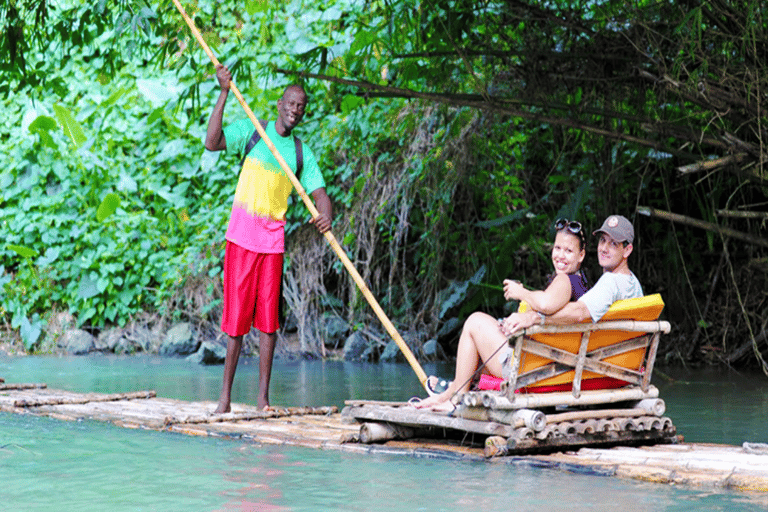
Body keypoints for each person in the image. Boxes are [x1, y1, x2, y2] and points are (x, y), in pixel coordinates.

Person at [205, 64, 333, 413]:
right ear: (280, 104)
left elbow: (319, 193)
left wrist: (326, 212)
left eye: (301, 107)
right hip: (241, 239)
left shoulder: (300, 153)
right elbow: (211, 141)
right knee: (235, 321)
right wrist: (224, 92)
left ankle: (263, 400)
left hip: (272, 243)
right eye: (291, 104)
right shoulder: (252, 131)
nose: (295, 110)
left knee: (268, 323)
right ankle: (225, 400)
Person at [413, 218, 589, 411]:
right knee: (486, 332)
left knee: (475, 322)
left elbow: (546, 304)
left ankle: (455, 401)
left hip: (530, 370)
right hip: (543, 363)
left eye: (568, 251)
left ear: (581, 255)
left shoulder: (565, 280)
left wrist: (520, 292)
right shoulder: (579, 284)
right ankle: (448, 395)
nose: (561, 255)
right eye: (557, 248)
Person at [503, 214, 643, 331]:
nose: (604, 248)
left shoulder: (611, 282)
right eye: (602, 240)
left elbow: (580, 312)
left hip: (592, 360)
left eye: (614, 244)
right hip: (618, 356)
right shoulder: (634, 284)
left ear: (627, 250)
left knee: (480, 322)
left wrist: (532, 315)